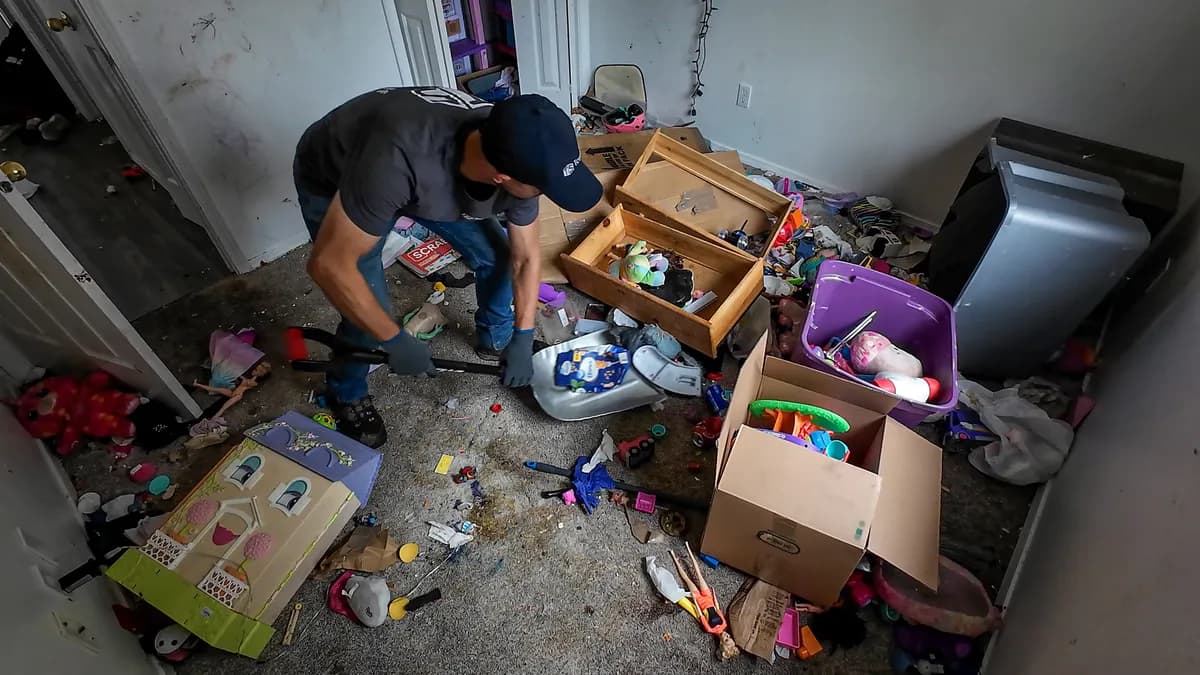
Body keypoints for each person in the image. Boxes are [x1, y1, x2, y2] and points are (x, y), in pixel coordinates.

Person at [293, 88, 601, 448]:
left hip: (420, 175)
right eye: (541, 189)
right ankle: (346, 393)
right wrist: (393, 340)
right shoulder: (397, 161)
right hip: (338, 176)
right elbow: (330, 265)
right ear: (502, 176)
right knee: (367, 311)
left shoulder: (516, 139)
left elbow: (525, 258)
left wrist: (522, 333)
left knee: (498, 256)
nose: (542, 196)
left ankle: (496, 335)